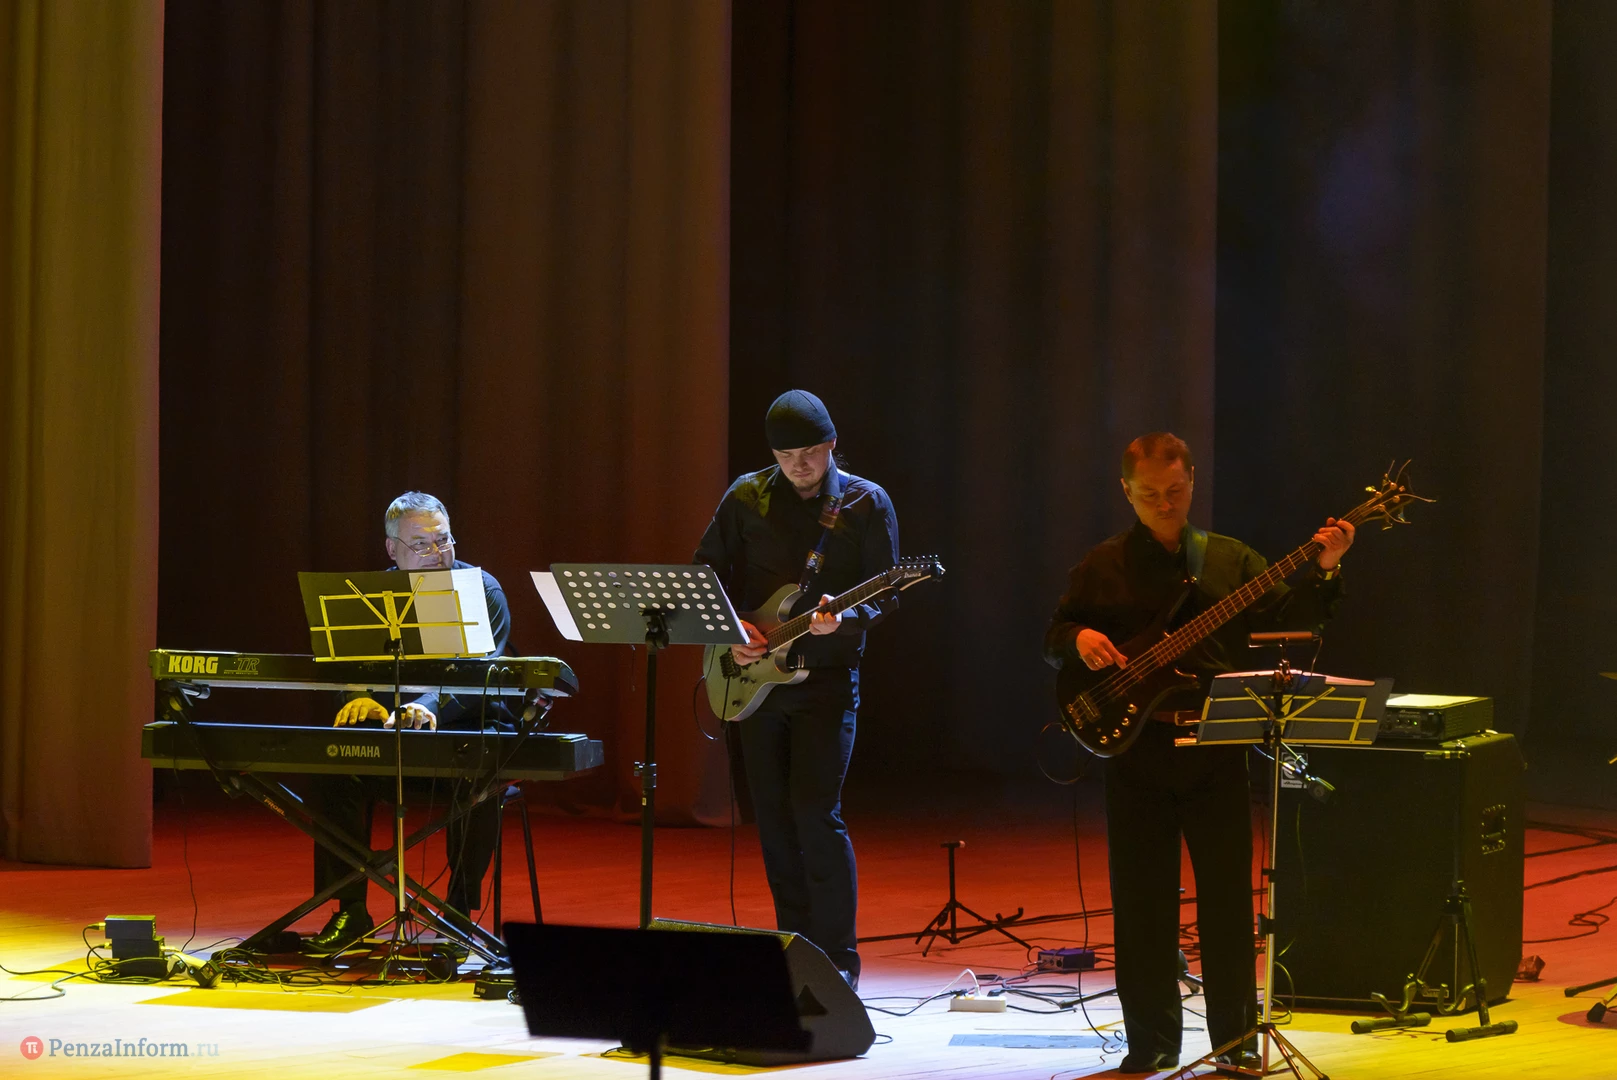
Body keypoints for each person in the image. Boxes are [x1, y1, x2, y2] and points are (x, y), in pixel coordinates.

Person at [1043, 433, 1353, 1074]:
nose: (1164, 503)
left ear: (1192, 483)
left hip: (1215, 748)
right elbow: (1056, 635)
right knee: (1140, 905)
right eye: (1150, 494)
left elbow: (1297, 616)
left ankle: (1235, 1045)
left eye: (1176, 491)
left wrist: (1326, 567)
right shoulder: (1103, 564)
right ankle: (1150, 1045)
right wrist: (1080, 639)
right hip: (1136, 752)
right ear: (1126, 491)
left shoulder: (1230, 559)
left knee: (1228, 906)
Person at [694, 390, 900, 989]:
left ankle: (838, 963)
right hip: (754, 682)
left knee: (816, 814)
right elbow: (705, 571)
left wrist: (848, 618)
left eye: (809, 452)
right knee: (774, 822)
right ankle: (793, 951)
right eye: (786, 456)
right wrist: (732, 629)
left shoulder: (866, 501)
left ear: (831, 443)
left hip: (827, 681)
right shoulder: (745, 496)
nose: (799, 465)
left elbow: (885, 592)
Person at [303, 491, 513, 954]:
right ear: (392, 549)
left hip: (463, 725)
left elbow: (482, 672)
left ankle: (457, 914)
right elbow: (347, 662)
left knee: (485, 770)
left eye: (444, 540)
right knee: (333, 767)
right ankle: (350, 910)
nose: (437, 553)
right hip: (391, 731)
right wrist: (359, 697)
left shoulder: (482, 589)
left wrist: (428, 705)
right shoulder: (368, 596)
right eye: (421, 544)